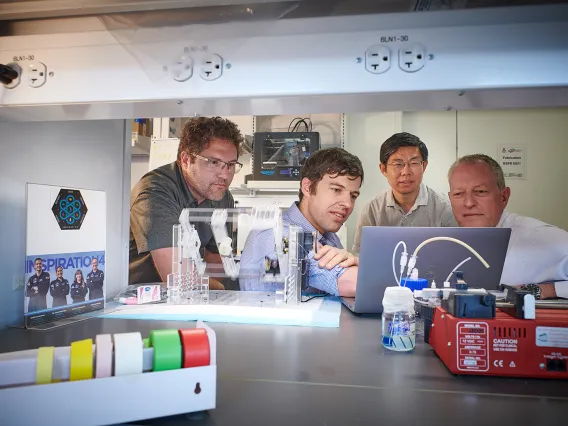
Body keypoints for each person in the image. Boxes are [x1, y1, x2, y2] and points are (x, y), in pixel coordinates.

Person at [129, 117, 243, 289]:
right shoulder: (156, 192)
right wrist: (220, 291)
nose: (225, 175)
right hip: (138, 300)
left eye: (231, 165)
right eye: (214, 162)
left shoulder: (222, 196)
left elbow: (216, 261)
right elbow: (179, 278)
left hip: (186, 299)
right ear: (186, 160)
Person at [239, 148, 363, 297]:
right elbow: (358, 284)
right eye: (336, 190)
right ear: (308, 187)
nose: (348, 204)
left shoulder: (329, 237)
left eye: (353, 196)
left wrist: (356, 263)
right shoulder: (276, 235)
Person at [447, 154, 568, 299]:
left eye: (480, 192)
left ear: (504, 197)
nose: (468, 203)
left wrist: (547, 290)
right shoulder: (444, 243)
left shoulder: (542, 238)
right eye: (459, 194)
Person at [353, 132, 456, 253]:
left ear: (424, 166)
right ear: (383, 169)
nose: (406, 172)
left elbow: (454, 256)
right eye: (398, 164)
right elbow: (362, 256)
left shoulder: (445, 209)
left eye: (414, 163)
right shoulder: (372, 210)